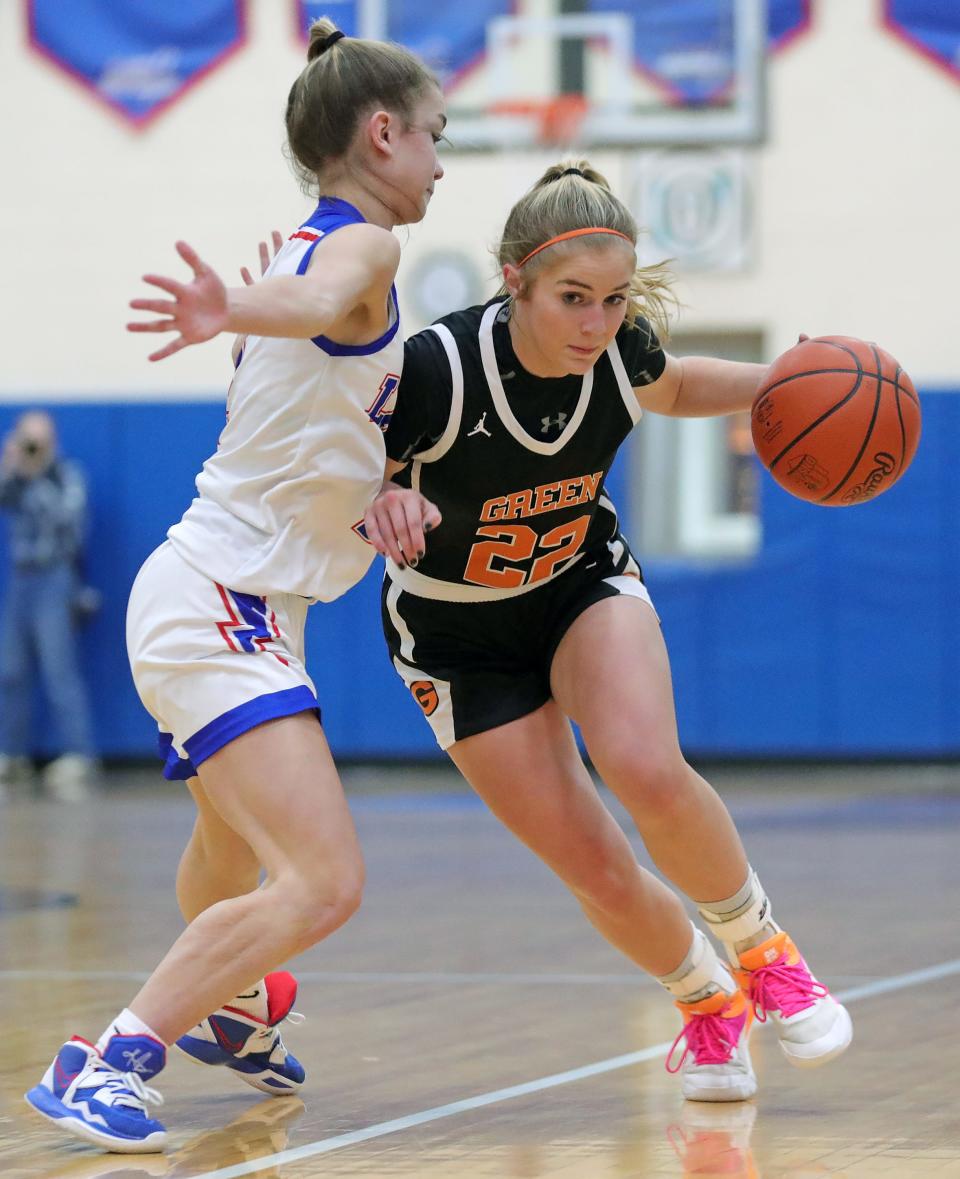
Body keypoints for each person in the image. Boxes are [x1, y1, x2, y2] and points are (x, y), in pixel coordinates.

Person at [25, 20, 445, 1153]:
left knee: (229, 853)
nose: (442, 165)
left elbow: (305, 423)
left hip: (216, 595)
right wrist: (236, 309)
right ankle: (109, 1060)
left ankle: (233, 1002)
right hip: (221, 603)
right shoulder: (357, 251)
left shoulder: (302, 250)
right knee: (323, 879)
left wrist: (379, 492)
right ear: (382, 132)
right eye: (435, 138)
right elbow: (315, 312)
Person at [365, 160, 852, 1104]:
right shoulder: (435, 370)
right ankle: (705, 1000)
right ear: (515, 282)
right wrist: (375, 497)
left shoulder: (622, 352)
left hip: (576, 583)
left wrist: (780, 379)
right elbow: (343, 460)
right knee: (592, 861)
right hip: (457, 638)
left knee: (644, 764)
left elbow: (671, 386)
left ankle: (767, 954)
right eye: (573, 299)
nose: (596, 323)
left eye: (615, 299)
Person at [0, 410, 100, 802]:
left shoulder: (66, 476)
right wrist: (11, 465)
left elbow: (67, 521)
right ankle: (12, 752)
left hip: (55, 578)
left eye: (37, 440)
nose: (31, 447)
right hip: (20, 580)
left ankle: (79, 753)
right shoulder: (16, 476)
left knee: (60, 669)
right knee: (9, 671)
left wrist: (36, 474)